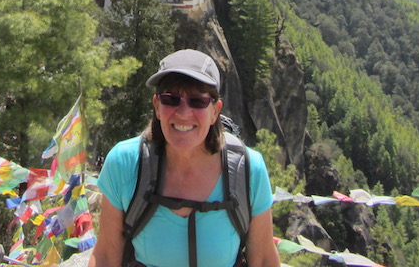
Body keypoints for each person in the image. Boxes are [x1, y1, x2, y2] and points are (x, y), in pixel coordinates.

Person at [90, 49, 281, 267]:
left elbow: (264, 258)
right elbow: (105, 254)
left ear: (215, 111)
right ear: (157, 106)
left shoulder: (247, 169)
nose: (183, 112)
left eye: (197, 101)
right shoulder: (125, 163)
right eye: (171, 99)